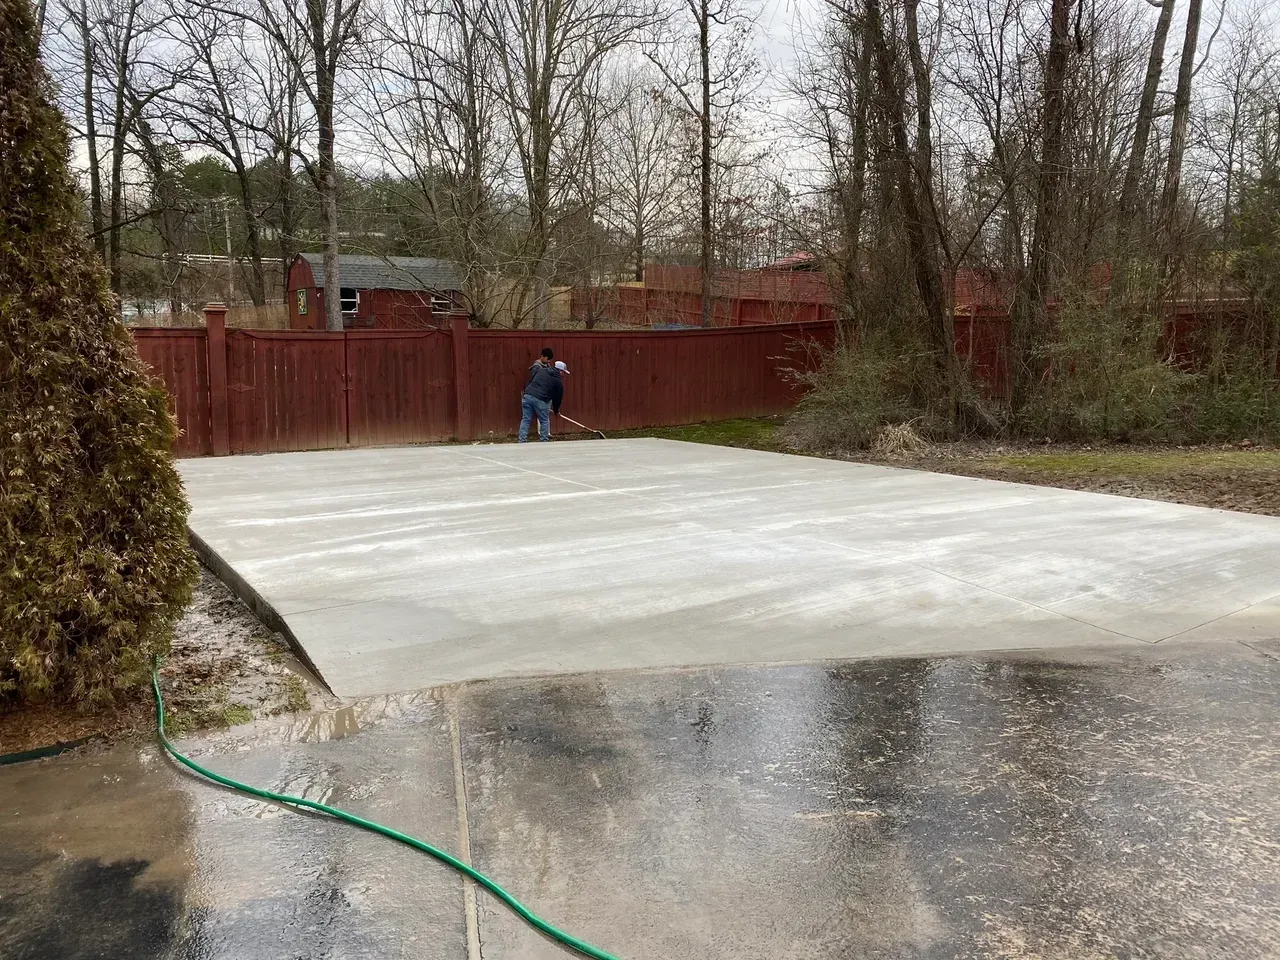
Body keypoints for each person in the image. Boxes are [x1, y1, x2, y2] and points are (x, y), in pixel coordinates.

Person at [518, 348, 564, 442]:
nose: (563, 375)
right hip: (540, 398)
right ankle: (544, 441)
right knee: (544, 420)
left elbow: (531, 381)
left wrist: (527, 393)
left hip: (527, 395)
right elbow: (558, 397)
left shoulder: (542, 370)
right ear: (559, 371)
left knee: (526, 419)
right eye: (563, 372)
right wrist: (556, 410)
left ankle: (521, 440)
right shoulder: (557, 381)